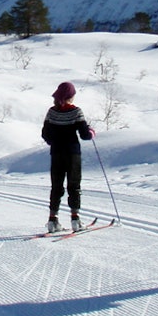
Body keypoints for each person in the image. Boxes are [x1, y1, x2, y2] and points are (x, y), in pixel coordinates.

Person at [41, 81, 94, 232]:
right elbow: (84, 135)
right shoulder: (76, 111)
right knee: (74, 185)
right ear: (71, 96)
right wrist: (91, 132)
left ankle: (52, 221)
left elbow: (45, 134)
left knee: (56, 186)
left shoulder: (52, 112)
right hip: (72, 153)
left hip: (56, 152)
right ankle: (75, 220)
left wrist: (53, 141)